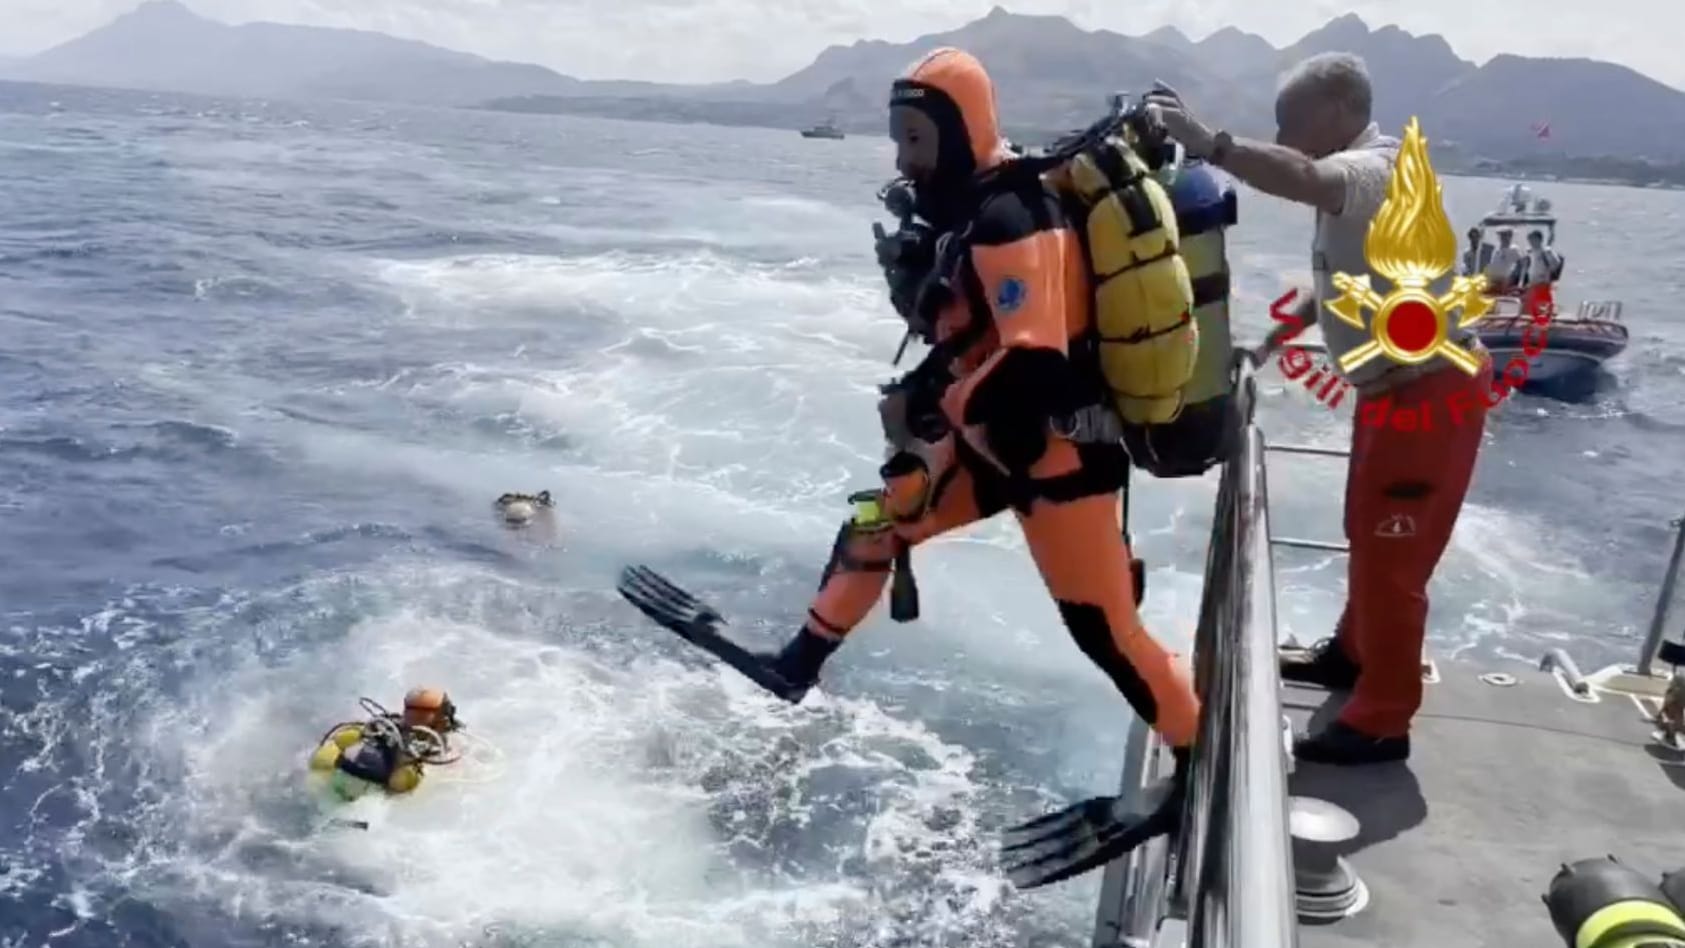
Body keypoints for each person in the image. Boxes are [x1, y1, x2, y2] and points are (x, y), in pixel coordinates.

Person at [619, 47, 1201, 888]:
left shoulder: (1013, 219)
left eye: (917, 140)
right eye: (900, 139)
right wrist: (931, 397)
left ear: (962, 133)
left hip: (1056, 455)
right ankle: (796, 664)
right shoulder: (969, 210)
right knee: (881, 516)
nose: (903, 158)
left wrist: (937, 412)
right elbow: (979, 344)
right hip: (1000, 445)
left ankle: (1189, 770)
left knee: (1105, 632)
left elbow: (1033, 361)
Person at [1145, 52, 1490, 765]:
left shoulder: (1377, 169)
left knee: (1393, 553)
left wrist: (1210, 142)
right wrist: (1272, 336)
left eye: (1287, 118)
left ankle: (1381, 720)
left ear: (1336, 109)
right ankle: (1352, 655)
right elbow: (1341, 279)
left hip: (1428, 391)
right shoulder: (1362, 190)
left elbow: (1301, 178)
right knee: (1368, 532)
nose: (1280, 132)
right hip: (1393, 388)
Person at [308, 687, 464, 799]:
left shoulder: (450, 745)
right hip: (364, 783)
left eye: (421, 714)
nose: (415, 719)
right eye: (414, 712)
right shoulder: (385, 729)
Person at [1521, 229, 1559, 316]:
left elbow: (1556, 264)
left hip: (1542, 284)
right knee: (1527, 308)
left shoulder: (1546, 251)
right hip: (1533, 285)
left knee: (1542, 308)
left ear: (1539, 239)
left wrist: (1547, 272)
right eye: (1530, 240)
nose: (1531, 242)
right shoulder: (1532, 253)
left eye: (1533, 240)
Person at [1485, 227, 1523, 293]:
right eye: (1502, 235)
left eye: (1506, 235)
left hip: (1503, 280)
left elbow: (1521, 264)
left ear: (1510, 236)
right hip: (1492, 279)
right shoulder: (1497, 249)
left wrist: (1513, 278)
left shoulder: (1513, 249)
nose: (1503, 237)